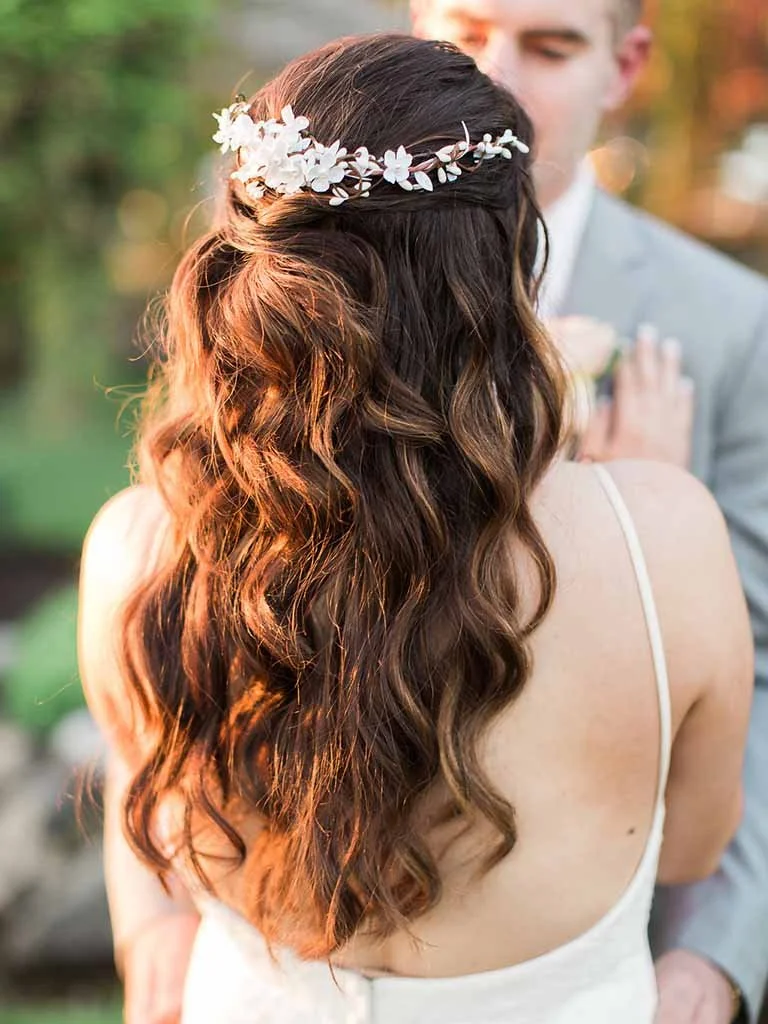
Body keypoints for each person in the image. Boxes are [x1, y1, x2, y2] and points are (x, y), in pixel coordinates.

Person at [79, 33, 753, 1024]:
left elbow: (161, 840)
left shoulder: (137, 547)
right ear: (504, 265)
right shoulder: (667, 537)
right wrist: (637, 493)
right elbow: (687, 848)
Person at [410, 1, 768, 1020]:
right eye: (467, 33)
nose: (497, 78)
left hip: (613, 938)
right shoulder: (310, 283)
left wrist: (716, 955)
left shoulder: (732, 326)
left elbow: (763, 664)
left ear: (626, 66)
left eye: (552, 46)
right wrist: (160, 916)